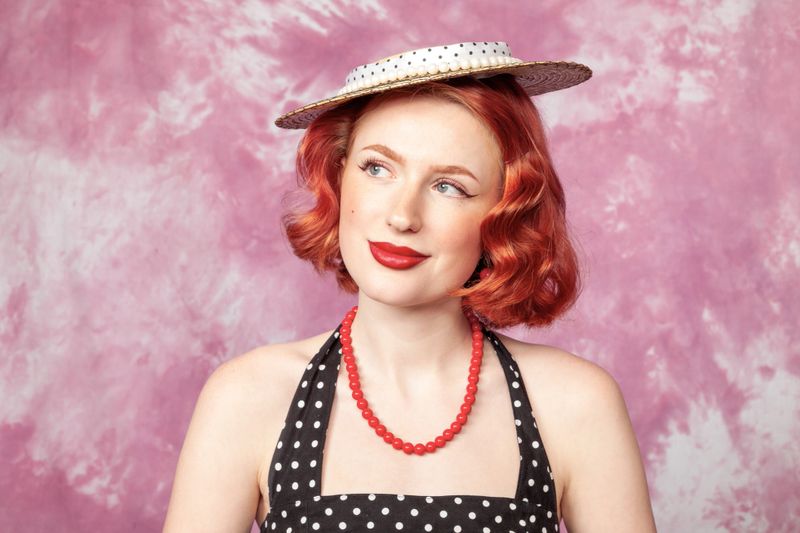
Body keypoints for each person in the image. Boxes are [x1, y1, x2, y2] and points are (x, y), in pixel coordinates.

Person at [163, 41, 657, 532]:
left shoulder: (575, 403)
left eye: (449, 186)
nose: (402, 216)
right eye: (377, 168)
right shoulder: (247, 397)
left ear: (505, 213)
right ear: (339, 176)